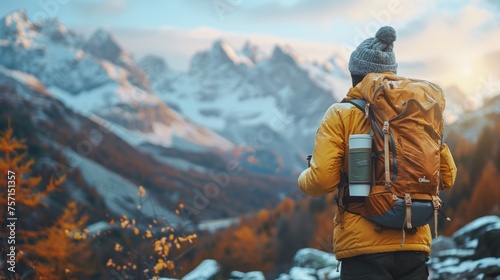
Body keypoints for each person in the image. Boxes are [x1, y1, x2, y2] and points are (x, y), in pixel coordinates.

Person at [298, 26, 457, 280]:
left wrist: (303, 177)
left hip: (363, 247)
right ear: (392, 74)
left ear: (354, 76)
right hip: (413, 240)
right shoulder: (419, 114)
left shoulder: (341, 114)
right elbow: (447, 179)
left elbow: (321, 180)